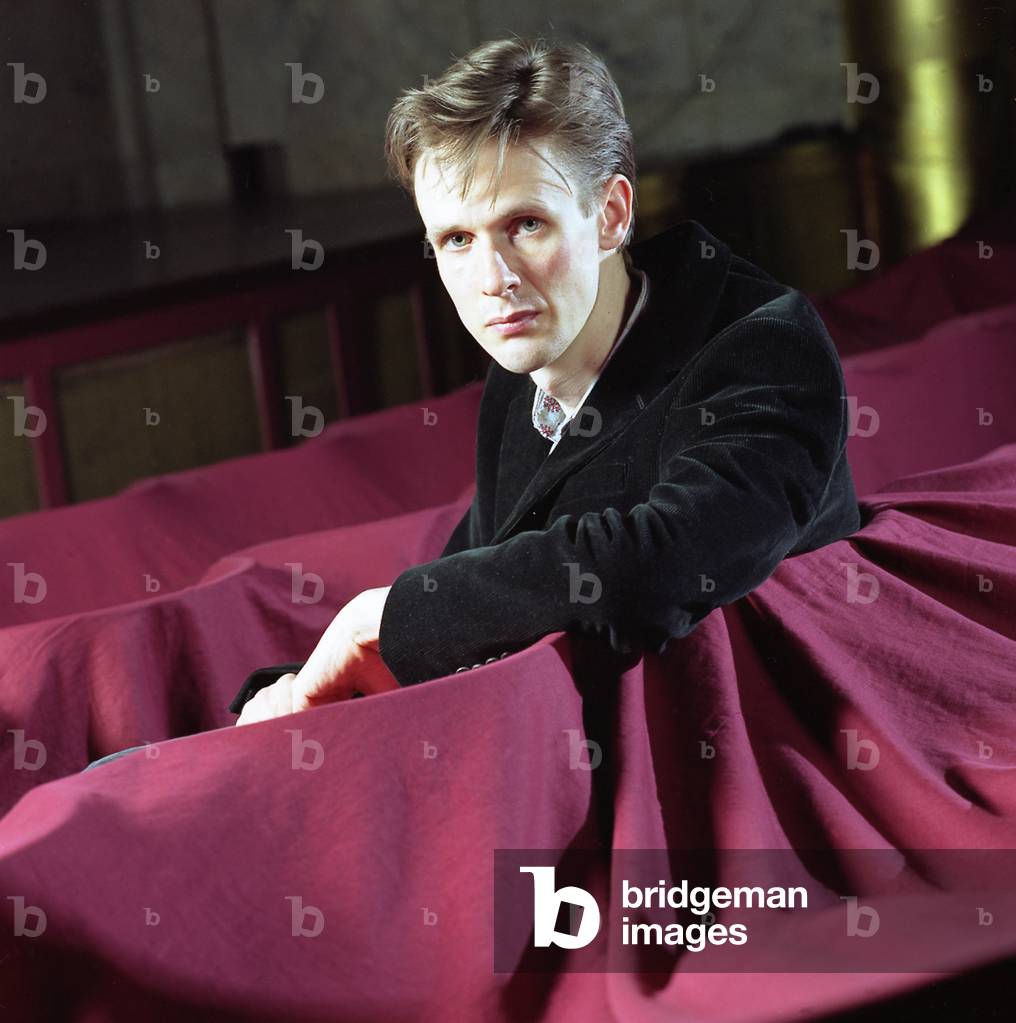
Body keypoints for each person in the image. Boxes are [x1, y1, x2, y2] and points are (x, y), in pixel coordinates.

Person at [225, 35, 861, 724]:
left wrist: (376, 618)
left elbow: (657, 567)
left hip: (760, 757)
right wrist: (297, 688)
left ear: (611, 215)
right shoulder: (520, 373)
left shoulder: (767, 347)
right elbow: (478, 591)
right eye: (457, 241)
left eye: (525, 225)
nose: (492, 282)